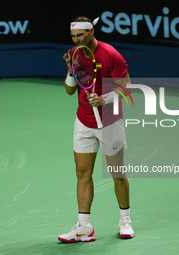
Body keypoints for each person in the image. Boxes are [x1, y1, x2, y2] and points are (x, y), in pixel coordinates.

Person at [58, 16, 134, 243]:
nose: (76, 40)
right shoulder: (75, 53)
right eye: (73, 36)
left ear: (91, 31)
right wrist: (71, 70)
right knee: (82, 173)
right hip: (84, 121)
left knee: (117, 174)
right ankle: (84, 227)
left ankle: (125, 220)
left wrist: (105, 100)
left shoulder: (111, 54)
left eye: (80, 35)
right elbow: (70, 91)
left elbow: (127, 86)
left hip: (109, 121)